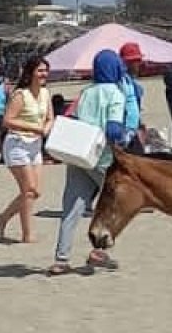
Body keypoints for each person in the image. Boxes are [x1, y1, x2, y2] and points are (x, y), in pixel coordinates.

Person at [48, 49, 127, 275]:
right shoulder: (115, 94)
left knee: (71, 208)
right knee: (113, 206)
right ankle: (98, 251)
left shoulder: (86, 92)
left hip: (77, 154)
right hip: (101, 159)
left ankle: (61, 258)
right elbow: (113, 128)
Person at [0, 56, 52, 243]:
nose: (44, 74)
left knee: (35, 192)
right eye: (40, 71)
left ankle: (2, 218)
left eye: (45, 71)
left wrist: (46, 129)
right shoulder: (20, 94)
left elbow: (50, 117)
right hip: (17, 144)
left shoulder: (45, 93)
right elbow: (8, 120)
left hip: (35, 146)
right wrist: (34, 128)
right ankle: (27, 234)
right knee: (28, 189)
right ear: (30, 73)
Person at [118, 42, 146, 153]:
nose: (139, 64)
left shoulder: (130, 82)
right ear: (128, 63)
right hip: (126, 135)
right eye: (136, 61)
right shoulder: (123, 83)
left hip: (132, 132)